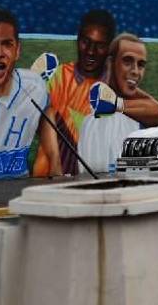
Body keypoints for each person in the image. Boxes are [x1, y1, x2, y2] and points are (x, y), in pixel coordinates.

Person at [0, 5, 57, 179]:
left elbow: (48, 112)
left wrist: (56, 167)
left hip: (16, 198)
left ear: (18, 50)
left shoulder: (34, 88)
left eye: (7, 44)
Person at [32, 9, 120, 178]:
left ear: (109, 49)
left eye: (100, 45)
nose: (91, 51)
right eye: (85, 42)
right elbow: (34, 126)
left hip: (91, 181)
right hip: (47, 181)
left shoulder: (113, 91)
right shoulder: (58, 76)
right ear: (77, 39)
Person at [78, 33, 158, 175]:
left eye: (141, 65)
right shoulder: (90, 118)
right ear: (110, 63)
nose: (135, 71)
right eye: (127, 61)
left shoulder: (135, 109)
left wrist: (115, 103)